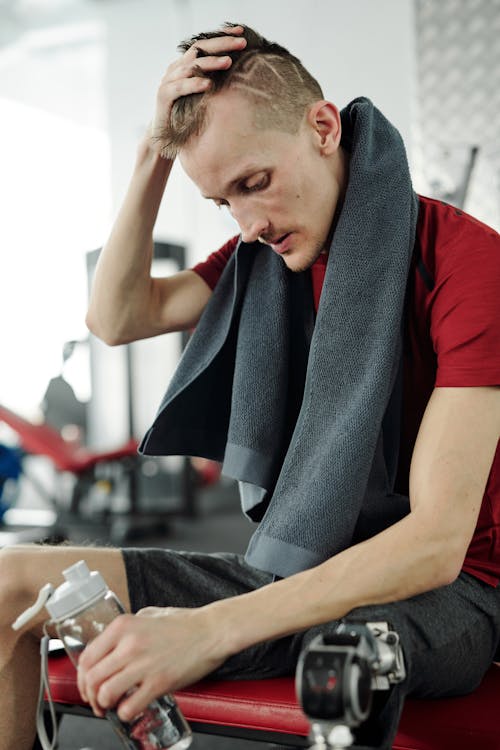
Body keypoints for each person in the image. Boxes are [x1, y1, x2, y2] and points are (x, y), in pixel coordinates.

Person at [1, 23, 499, 750]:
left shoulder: (468, 262)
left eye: (254, 183)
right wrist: (152, 151)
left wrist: (204, 631)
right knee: (10, 577)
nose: (250, 222)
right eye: (223, 202)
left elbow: (434, 544)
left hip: (451, 591)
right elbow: (116, 316)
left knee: (346, 658)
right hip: (297, 567)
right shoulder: (259, 263)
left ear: (323, 127)